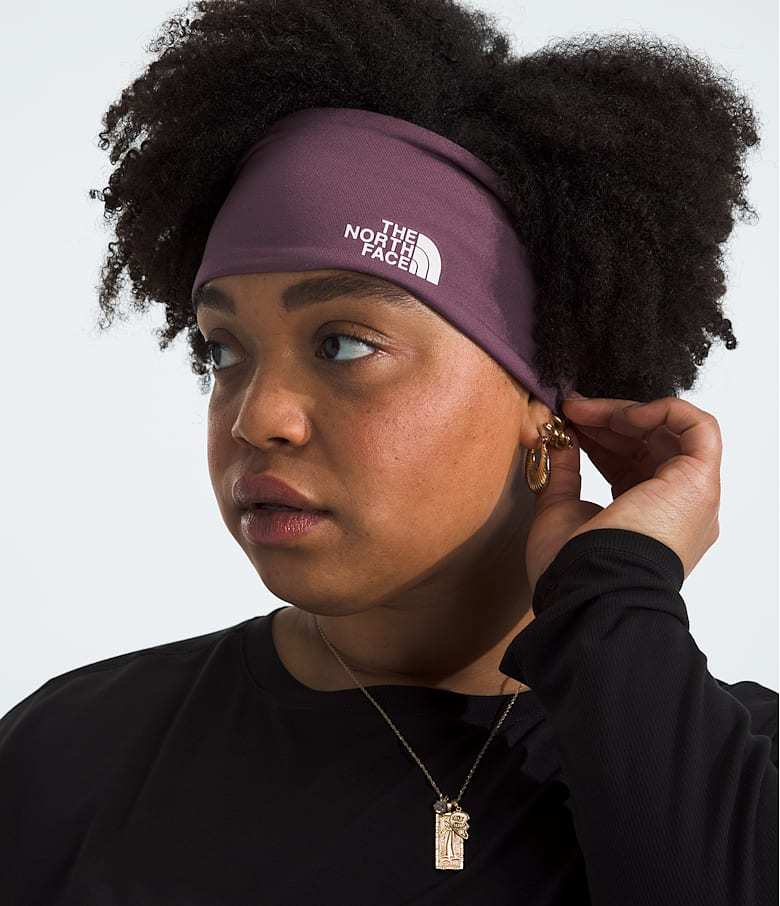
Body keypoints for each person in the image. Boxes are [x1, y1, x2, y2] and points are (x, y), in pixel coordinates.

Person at [0, 1, 776, 904]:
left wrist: (615, 594)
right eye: (223, 351)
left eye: (343, 344)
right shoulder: (68, 758)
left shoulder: (737, 776)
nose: (258, 417)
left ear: (545, 394)